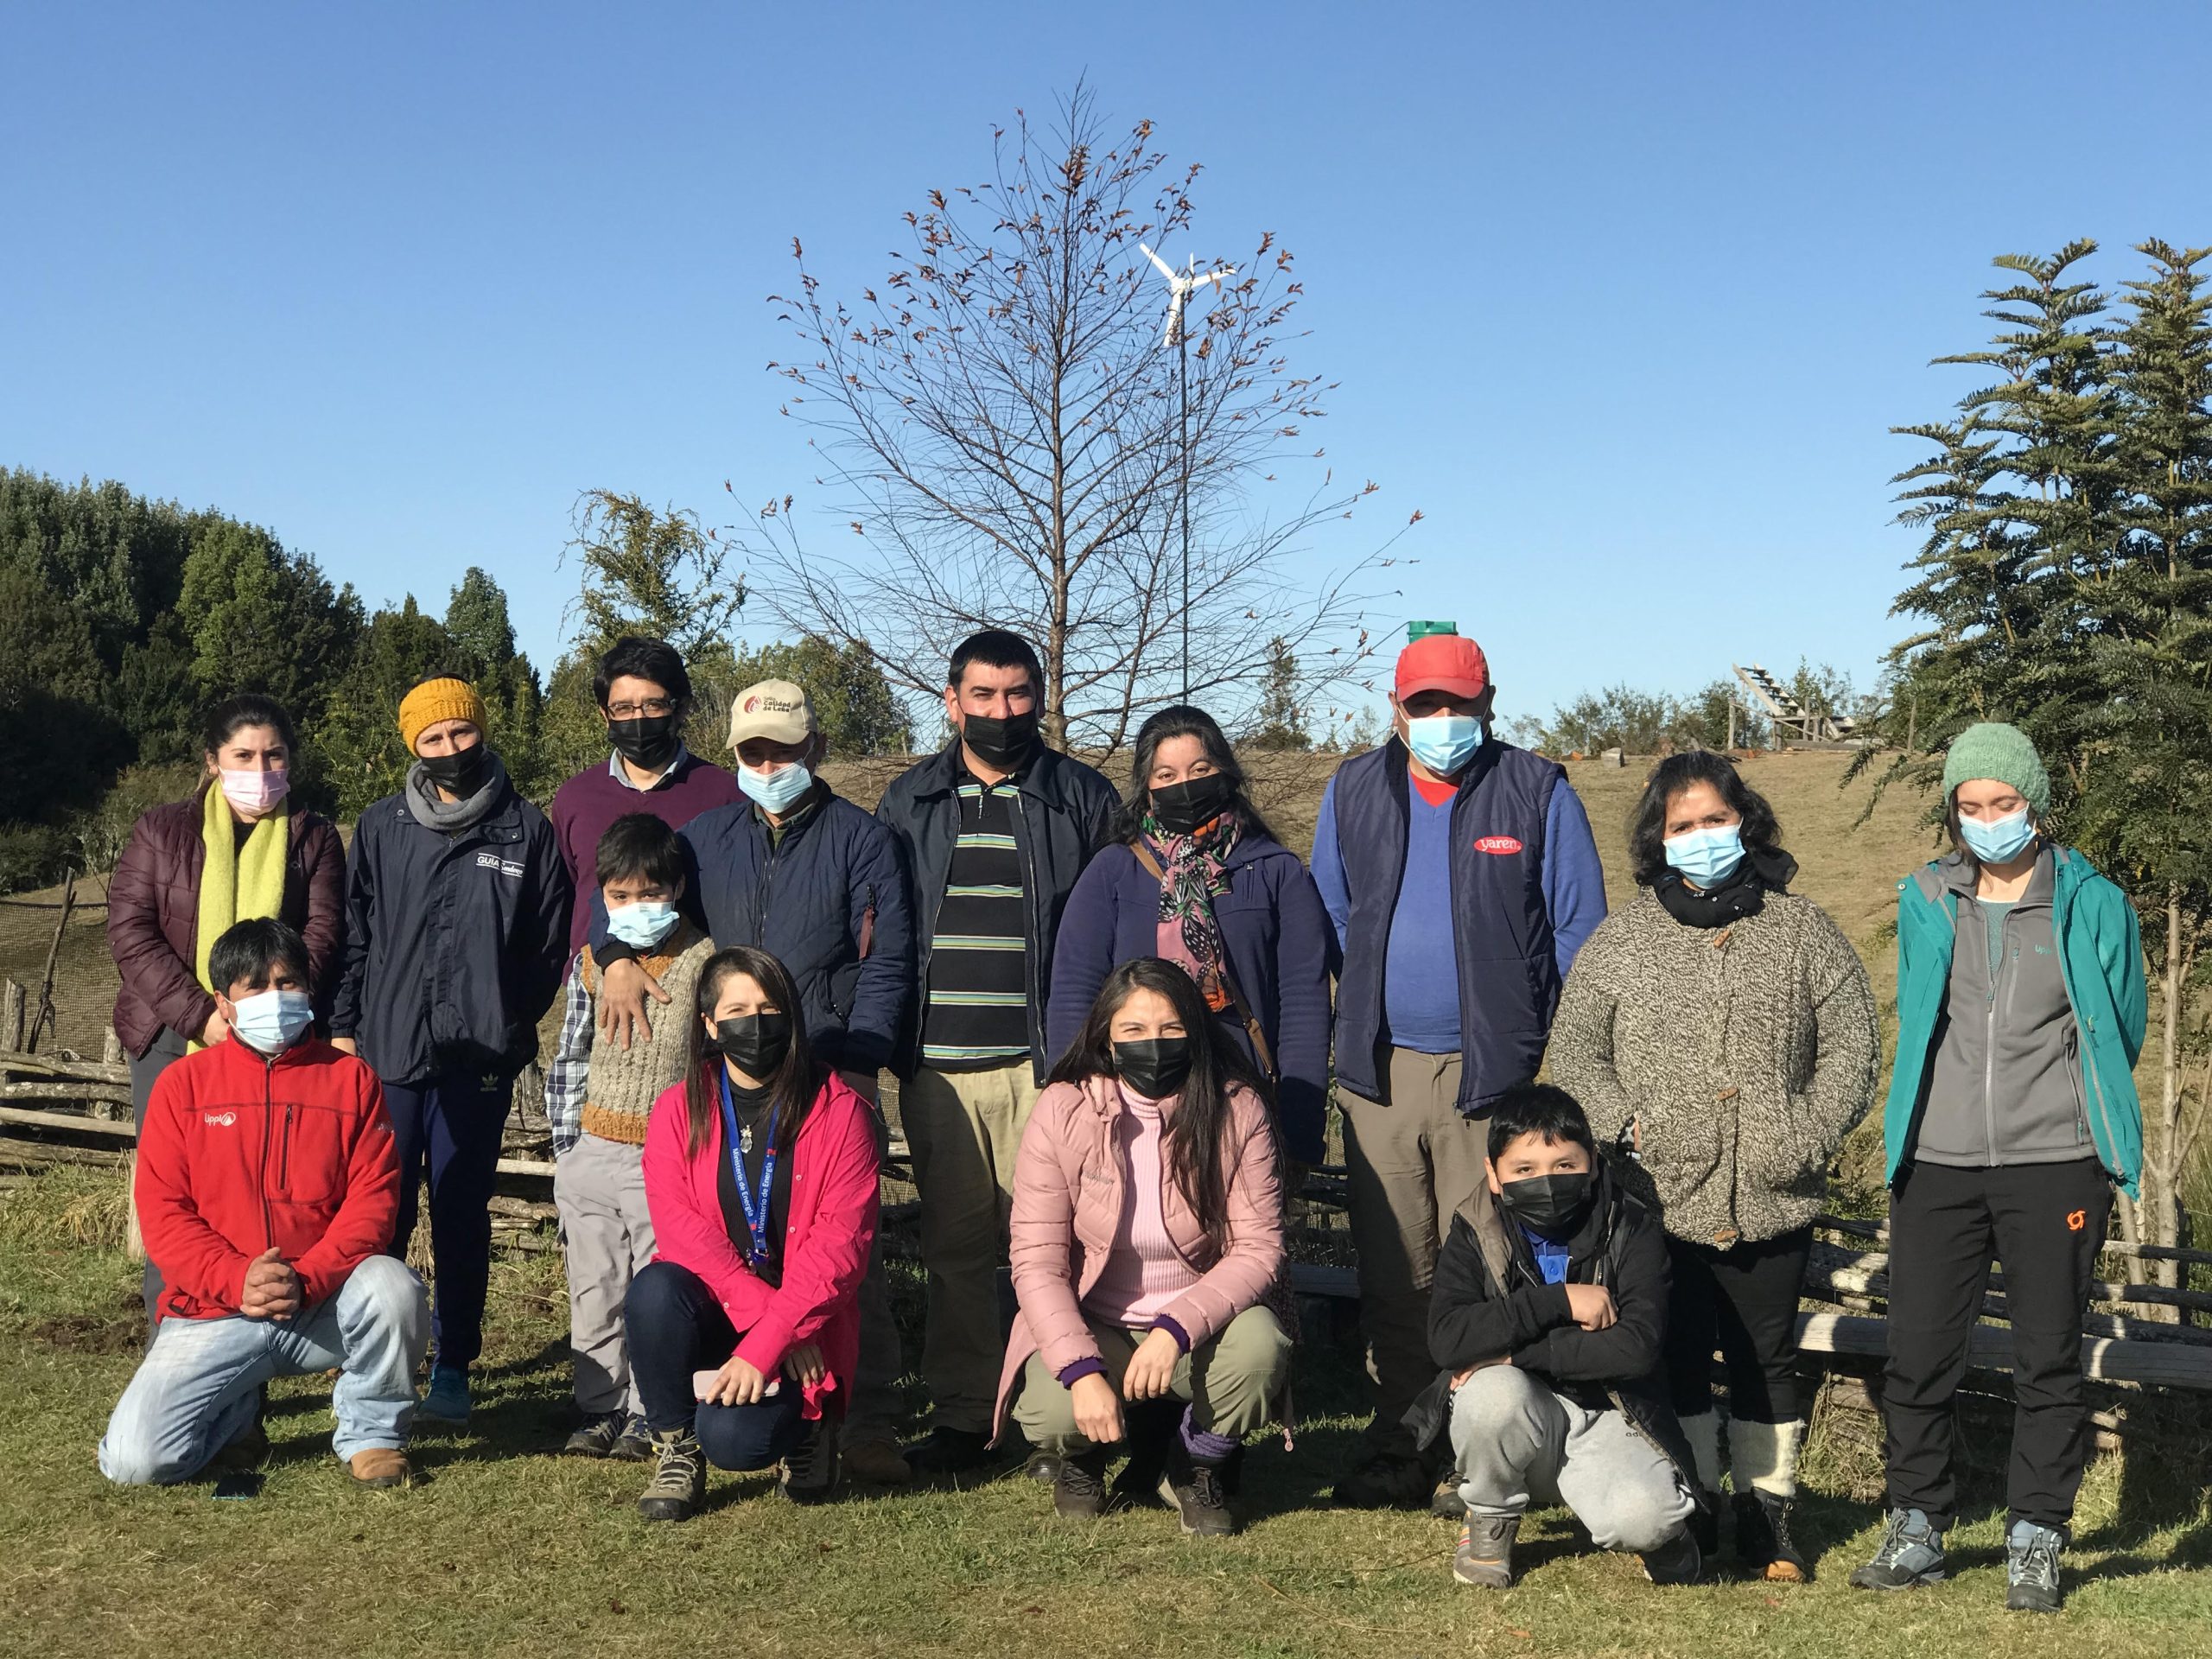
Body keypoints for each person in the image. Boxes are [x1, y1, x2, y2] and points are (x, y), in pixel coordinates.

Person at [1548, 752, 1878, 1580]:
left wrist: (1799, 1136)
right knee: (1680, 1357)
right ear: (1659, 840)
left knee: (1768, 1358)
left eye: (1715, 820)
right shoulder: (1621, 942)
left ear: (1746, 820)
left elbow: (1853, 1045)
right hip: (1662, 1196)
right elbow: (1577, 1054)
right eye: (1683, 825)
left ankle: (1770, 1521)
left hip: (1773, 1192)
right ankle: (1692, 1507)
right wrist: (1629, 1126)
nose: (1702, 837)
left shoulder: (1802, 930)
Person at [1849, 723, 2145, 1616]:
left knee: (2046, 1359)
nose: (1987, 821)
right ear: (1953, 811)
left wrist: (2075, 1115)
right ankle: (1915, 1527)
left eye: (2003, 804)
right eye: (1970, 807)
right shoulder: (1924, 896)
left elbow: (2118, 1025)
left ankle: (2034, 1539)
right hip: (1934, 1162)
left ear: (2036, 805)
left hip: (2054, 1162)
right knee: (1917, 1355)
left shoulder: (2093, 900)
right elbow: (1917, 1010)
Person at [1312, 626, 1608, 1509]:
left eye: (1458, 703)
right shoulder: (1354, 788)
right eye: (1424, 704)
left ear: (1487, 705)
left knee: (1485, 1269)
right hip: (1381, 1072)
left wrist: (1541, 1045)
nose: (1442, 718)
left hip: (1494, 1079)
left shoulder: (1535, 789)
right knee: (1396, 1269)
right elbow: (1328, 910)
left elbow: (1579, 930)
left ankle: (1481, 1443)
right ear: (1396, 711)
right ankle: (1402, 1437)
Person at [591, 677, 914, 1484]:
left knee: (847, 1253)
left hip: (825, 1068)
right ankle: (729, 1391)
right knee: (721, 1233)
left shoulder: (862, 838)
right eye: (753, 752)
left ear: (816, 749)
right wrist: (614, 956)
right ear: (735, 754)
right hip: (726, 1073)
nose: (768, 763)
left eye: (783, 748)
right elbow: (640, 899)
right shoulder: (703, 836)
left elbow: (889, 961)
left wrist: (858, 1064)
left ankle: (860, 1415)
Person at [874, 629, 1119, 1476]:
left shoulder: (1081, 799)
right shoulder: (908, 803)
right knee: (956, 1250)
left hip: (1041, 1064)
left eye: (1018, 695)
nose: (1001, 712)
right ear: (952, 701)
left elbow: (1108, 936)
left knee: (1053, 1247)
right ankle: (964, 1415)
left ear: (1040, 699)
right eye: (983, 695)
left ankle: (1054, 1413)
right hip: (937, 1067)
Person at [99, 918, 429, 1491]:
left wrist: (308, 1278)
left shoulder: (351, 1080)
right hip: (215, 1308)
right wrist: (236, 1279)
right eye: (257, 986)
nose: (277, 997)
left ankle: (373, 1435)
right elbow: (164, 1212)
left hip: (320, 1303)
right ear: (225, 1005)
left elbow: (373, 1204)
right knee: (134, 1463)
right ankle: (234, 1419)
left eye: (288, 982)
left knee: (393, 1286)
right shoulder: (183, 1087)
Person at [330, 675, 573, 1427]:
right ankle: (378, 1359)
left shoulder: (523, 829)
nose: (450, 749)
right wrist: (345, 1025)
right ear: (413, 746)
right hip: (390, 1055)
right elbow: (354, 935)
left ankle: (455, 1366)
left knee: (463, 1211)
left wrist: (504, 1020)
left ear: (482, 732)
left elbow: (548, 943)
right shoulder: (379, 828)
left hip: (480, 1062)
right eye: (433, 739)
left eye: (461, 734)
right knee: (384, 1212)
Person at [999, 958, 1291, 1535]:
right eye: (1133, 1030)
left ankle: (1193, 1461)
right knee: (1050, 1413)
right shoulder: (1061, 1110)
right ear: (1106, 1037)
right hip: (1097, 1324)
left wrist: (1174, 1330)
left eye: (1171, 1028)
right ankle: (1083, 1459)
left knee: (1261, 1347)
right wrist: (1082, 1372)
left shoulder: (1238, 1109)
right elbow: (1036, 1260)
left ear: (1195, 1032)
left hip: (1193, 1331)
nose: (1152, 1044)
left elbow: (1259, 1250)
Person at [107, 694, 346, 1330]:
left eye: (273, 755)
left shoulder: (313, 837)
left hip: (273, 1042)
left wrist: (266, 1009)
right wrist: (203, 1017)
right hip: (169, 1038)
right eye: (244, 755)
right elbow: (131, 931)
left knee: (255, 1203)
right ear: (213, 761)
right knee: (177, 1202)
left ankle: (248, 1385)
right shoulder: (162, 831)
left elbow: (322, 936)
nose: (260, 768)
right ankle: (175, 1351)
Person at [1406, 1084, 1703, 1589]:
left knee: (1646, 1518)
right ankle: (1490, 1517)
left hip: (1612, 1411)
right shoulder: (1474, 1226)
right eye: (1524, 1170)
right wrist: (1559, 1300)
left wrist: (1510, 1355)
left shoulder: (1631, 1225)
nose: (1545, 1181)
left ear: (1590, 1161)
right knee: (1489, 1397)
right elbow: (1448, 1340)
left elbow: (1635, 1349)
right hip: (1523, 1415)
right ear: (1494, 1176)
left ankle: (1667, 1535)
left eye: (1565, 1165)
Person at [625, 945, 880, 1519]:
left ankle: (812, 1434)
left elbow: (840, 1254)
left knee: (736, 1442)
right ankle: (676, 1447)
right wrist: (769, 1326)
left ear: (790, 1016)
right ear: (710, 1025)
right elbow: (681, 1232)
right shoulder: (676, 1111)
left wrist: (774, 1339)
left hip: (805, 1327)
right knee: (654, 1290)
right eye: (737, 1009)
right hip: (733, 1315)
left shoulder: (841, 1112)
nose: (755, 1022)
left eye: (768, 1007)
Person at [1045, 706, 1334, 1173]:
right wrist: (1077, 1101)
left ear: (1226, 772)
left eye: (1200, 769)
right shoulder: (1113, 872)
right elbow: (1075, 991)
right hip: (1131, 1105)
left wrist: (1300, 1123)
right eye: (1166, 773)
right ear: (1146, 788)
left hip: (1241, 1103)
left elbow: (1303, 1002)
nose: (1185, 784)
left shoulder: (1276, 871)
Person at [544, 814, 715, 1459]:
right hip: (593, 1151)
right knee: (594, 1286)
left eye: (650, 893)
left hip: (664, 1159)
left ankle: (651, 1410)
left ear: (674, 889)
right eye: (619, 896)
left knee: (653, 1289)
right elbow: (571, 1055)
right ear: (603, 897)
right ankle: (599, 1406)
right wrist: (571, 1151)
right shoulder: (592, 962)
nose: (635, 907)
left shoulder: (703, 962)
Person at [547, 635, 741, 958]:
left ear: (681, 709)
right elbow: (568, 898)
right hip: (597, 988)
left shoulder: (726, 795)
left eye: (654, 704)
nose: (638, 719)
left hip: (695, 985)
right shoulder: (574, 799)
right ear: (604, 715)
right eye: (622, 708)